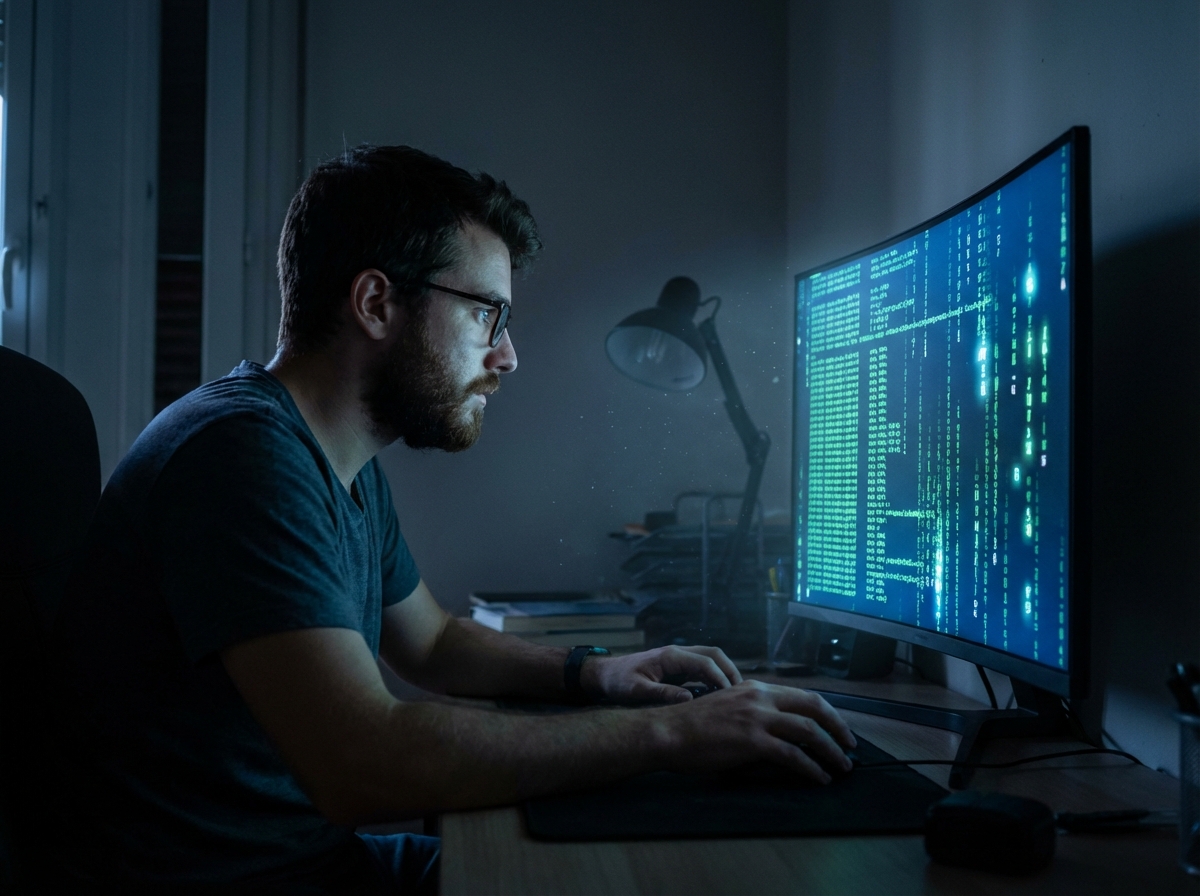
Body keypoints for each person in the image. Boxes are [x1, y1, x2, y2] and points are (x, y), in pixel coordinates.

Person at [54, 145, 855, 894]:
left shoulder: (334, 459)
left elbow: (430, 641)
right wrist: (673, 737)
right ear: (376, 303)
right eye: (485, 315)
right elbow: (361, 763)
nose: (506, 356)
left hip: (297, 863)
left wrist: (596, 674)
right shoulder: (241, 458)